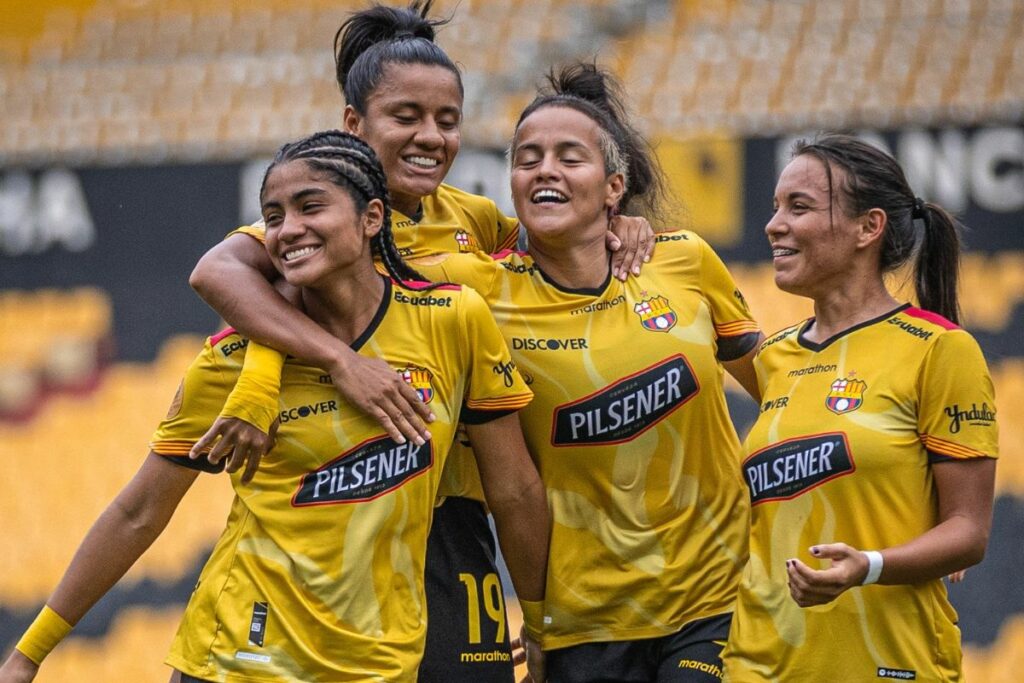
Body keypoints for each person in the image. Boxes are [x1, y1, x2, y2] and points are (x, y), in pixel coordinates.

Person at [187, 3, 653, 679]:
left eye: (447, 120)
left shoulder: (474, 218)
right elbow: (217, 272)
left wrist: (622, 223)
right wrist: (338, 362)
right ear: (354, 124)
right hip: (349, 514)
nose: (430, 137)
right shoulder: (319, 219)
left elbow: (560, 247)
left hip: (455, 514)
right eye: (406, 116)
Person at [0, 131, 549, 682]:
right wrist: (28, 656)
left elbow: (516, 489)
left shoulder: (451, 321)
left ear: (372, 218)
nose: (288, 229)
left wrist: (543, 624)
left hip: (383, 664)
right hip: (237, 659)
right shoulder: (231, 362)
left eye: (310, 206)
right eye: (274, 216)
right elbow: (138, 512)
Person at [406, 63, 763, 682]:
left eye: (569, 158)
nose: (545, 170)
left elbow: (786, 395)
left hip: (717, 601)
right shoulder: (475, 291)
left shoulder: (684, 261)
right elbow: (339, 260)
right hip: (584, 624)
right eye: (528, 160)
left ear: (613, 186)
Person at [721, 134, 998, 682]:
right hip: (759, 667)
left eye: (799, 207)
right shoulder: (774, 357)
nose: (774, 225)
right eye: (776, 207)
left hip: (889, 665)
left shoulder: (939, 350)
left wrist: (869, 566)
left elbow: (968, 533)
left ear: (868, 228)